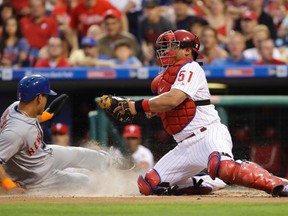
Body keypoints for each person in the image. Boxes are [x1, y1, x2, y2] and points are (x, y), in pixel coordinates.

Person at [105, 29, 288, 196]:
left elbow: (174, 99)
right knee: (148, 185)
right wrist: (145, 109)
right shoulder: (166, 79)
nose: (166, 51)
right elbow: (165, 107)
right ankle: (208, 181)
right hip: (185, 146)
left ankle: (279, 184)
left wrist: (134, 106)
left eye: (172, 46)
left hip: (208, 134)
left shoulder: (190, 67)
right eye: (166, 46)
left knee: (223, 167)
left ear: (187, 51)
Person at [0, 74, 133, 195]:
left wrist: (48, 114)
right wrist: (10, 186)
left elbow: (30, 119)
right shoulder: (16, 132)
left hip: (44, 155)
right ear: (39, 98)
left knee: (82, 154)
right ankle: (115, 187)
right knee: (85, 182)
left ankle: (115, 164)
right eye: (46, 96)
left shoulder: (16, 106)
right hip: (38, 178)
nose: (47, 99)